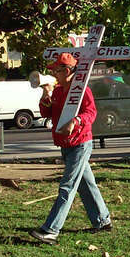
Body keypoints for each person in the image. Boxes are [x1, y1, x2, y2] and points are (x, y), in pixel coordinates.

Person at [29, 52, 111, 245]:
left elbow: (91, 113)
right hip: (66, 144)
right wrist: (46, 94)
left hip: (80, 143)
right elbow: (46, 112)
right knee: (85, 184)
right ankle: (102, 220)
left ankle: (51, 230)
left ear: (67, 71)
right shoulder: (58, 91)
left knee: (68, 186)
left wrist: (76, 121)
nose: (53, 74)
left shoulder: (82, 91)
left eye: (56, 70)